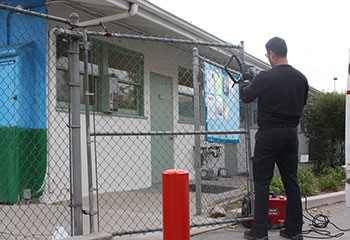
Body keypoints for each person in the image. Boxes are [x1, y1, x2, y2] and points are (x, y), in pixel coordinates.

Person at [240, 37, 309, 240]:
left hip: (269, 134)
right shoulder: (301, 79)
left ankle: (260, 232)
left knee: (262, 182)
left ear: (271, 54)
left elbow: (246, 96)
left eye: (267, 55)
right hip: (290, 133)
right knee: (291, 181)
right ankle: (294, 230)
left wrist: (245, 80)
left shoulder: (265, 77)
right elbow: (302, 103)